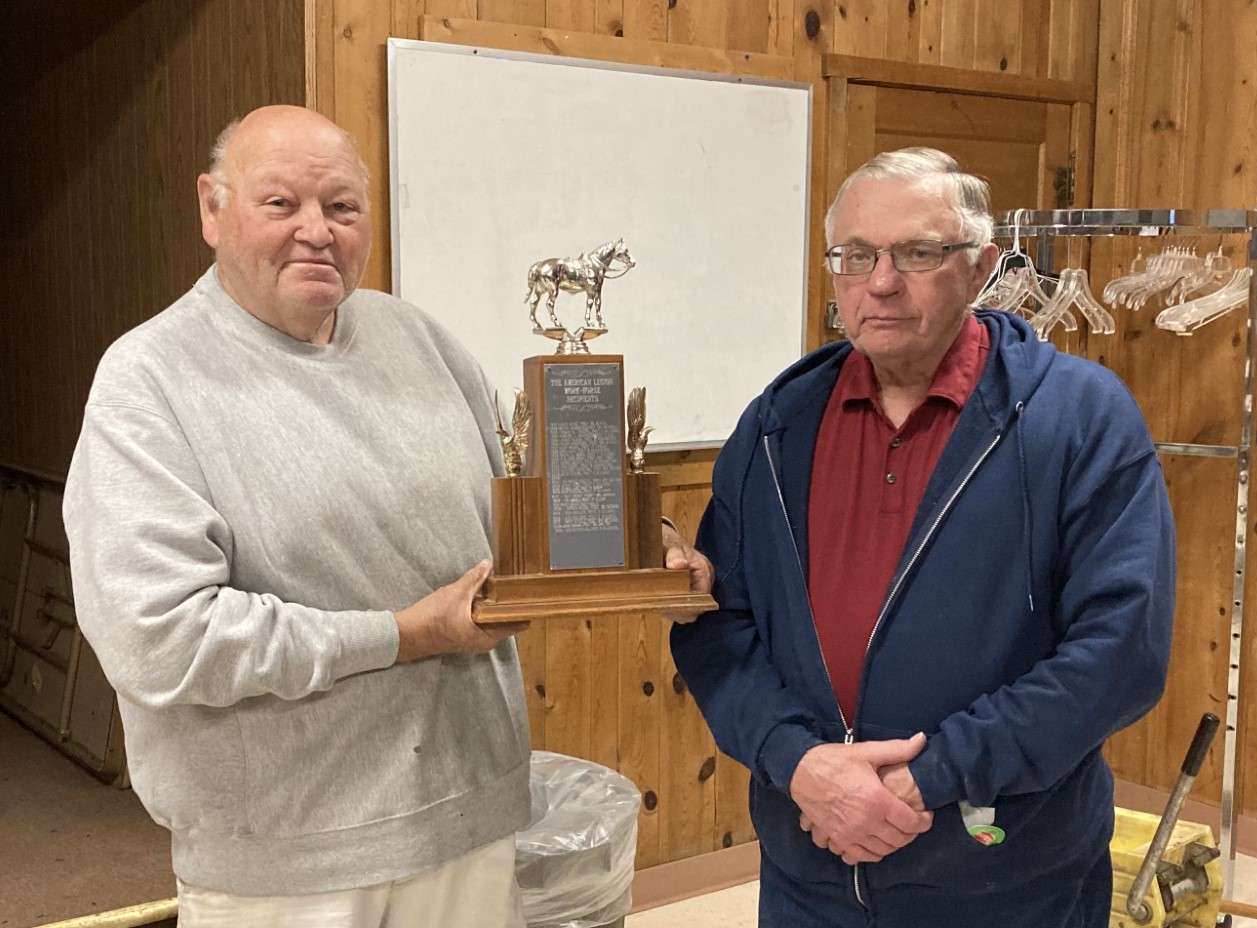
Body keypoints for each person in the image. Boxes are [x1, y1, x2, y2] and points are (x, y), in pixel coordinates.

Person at [63, 105, 711, 927]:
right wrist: (404, 635)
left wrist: (631, 545)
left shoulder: (422, 342)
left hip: (471, 821)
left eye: (341, 208)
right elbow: (159, 638)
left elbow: (509, 521)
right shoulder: (148, 382)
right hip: (288, 866)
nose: (316, 232)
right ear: (211, 208)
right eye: (280, 204)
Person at [670, 147, 1174, 927]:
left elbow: (1120, 651)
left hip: (1007, 878)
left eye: (918, 253)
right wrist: (798, 764)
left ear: (980, 269)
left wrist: (931, 775)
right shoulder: (776, 427)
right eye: (857, 255)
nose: (880, 281)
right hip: (811, 865)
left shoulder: (1079, 420)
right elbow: (719, 629)